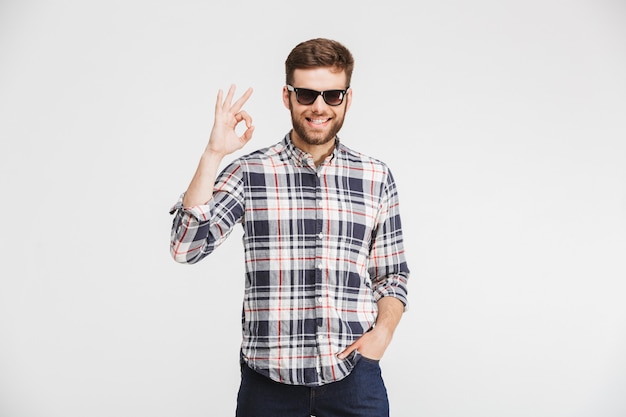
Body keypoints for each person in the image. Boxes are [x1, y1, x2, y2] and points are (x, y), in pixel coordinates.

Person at [169, 38, 410, 417]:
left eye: (332, 95)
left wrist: (384, 333)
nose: (319, 107)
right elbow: (186, 247)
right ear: (287, 96)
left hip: (353, 380)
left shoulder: (375, 177)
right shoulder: (250, 172)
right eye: (306, 94)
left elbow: (392, 274)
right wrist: (213, 153)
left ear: (347, 97)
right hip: (268, 387)